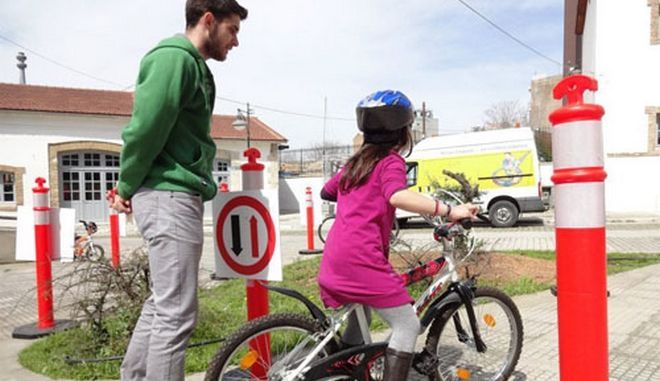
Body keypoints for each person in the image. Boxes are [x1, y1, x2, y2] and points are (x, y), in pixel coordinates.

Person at [107, 1, 247, 380]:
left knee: (163, 304)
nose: (236, 41)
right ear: (207, 20)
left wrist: (130, 186)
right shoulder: (174, 59)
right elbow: (146, 128)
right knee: (177, 314)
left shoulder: (192, 65)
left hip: (169, 194)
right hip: (168, 195)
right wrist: (125, 185)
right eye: (232, 29)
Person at [317, 90, 478, 381]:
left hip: (334, 260)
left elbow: (327, 191)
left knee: (362, 317)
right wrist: (449, 210)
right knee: (408, 326)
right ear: (403, 131)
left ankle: (346, 373)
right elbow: (397, 196)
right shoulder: (390, 162)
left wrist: (358, 194)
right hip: (361, 261)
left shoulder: (355, 164)